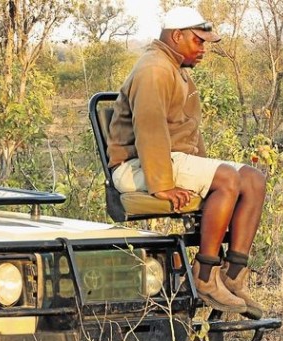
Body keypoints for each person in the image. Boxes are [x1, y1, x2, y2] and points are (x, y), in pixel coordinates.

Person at [106, 6, 266, 320]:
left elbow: (187, 135)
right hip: (137, 167)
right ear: (177, 36)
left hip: (167, 160)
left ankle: (233, 274)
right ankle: (205, 275)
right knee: (228, 180)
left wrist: (210, 174)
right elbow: (149, 131)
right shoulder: (154, 69)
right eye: (199, 41)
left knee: (253, 179)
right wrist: (162, 185)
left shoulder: (176, 68)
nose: (204, 49)